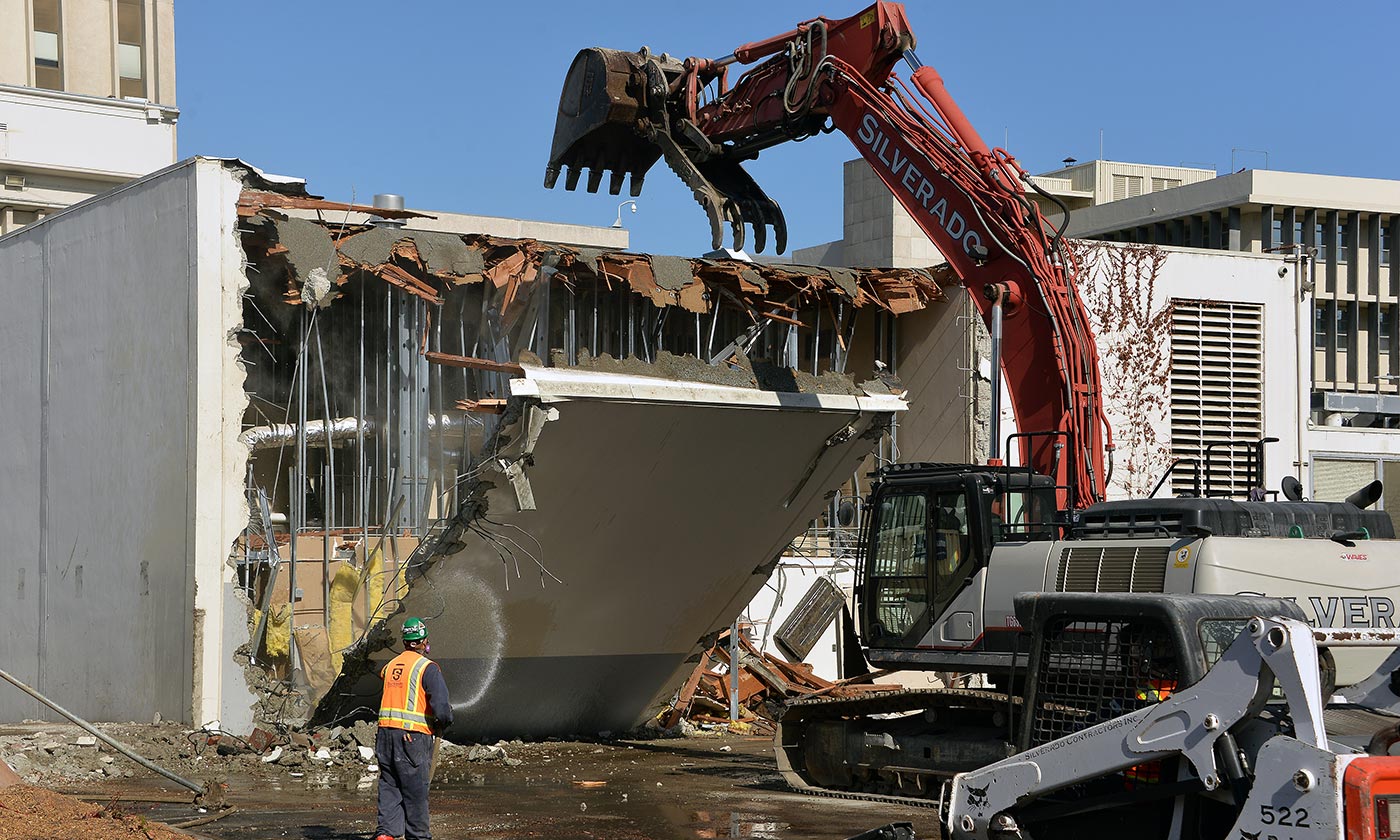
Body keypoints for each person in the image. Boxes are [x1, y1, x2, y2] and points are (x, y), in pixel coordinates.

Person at [374, 617, 453, 840]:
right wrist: (445, 721)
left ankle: (386, 834)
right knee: (415, 791)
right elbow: (442, 708)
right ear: (423, 641)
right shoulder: (427, 668)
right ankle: (418, 837)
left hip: (385, 735)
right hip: (411, 738)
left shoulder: (391, 666)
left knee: (389, 786)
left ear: (405, 641)